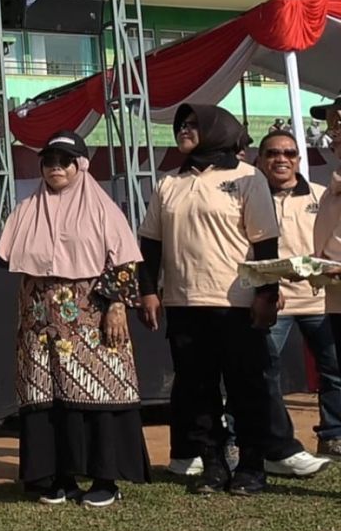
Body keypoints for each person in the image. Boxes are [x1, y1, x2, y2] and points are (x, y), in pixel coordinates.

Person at [0, 131, 151, 507]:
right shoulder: (28, 207)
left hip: (91, 314)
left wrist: (116, 306)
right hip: (39, 317)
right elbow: (6, 255)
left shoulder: (102, 207)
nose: (55, 168)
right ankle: (56, 477)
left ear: (80, 164)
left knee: (97, 389)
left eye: (64, 161)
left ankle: (104, 478)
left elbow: (125, 259)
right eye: (49, 161)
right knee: (46, 395)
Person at [138, 103, 281, 496]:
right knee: (197, 389)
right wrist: (149, 290)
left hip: (236, 303)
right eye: (181, 125)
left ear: (218, 130)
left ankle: (252, 465)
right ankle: (213, 465)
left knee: (245, 388)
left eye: (193, 125)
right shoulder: (169, 183)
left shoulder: (248, 177)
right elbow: (149, 244)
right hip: (184, 304)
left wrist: (267, 295)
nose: (183, 130)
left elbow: (266, 243)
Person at [254, 131, 340, 470]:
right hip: (276, 301)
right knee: (264, 372)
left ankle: (333, 433)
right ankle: (275, 441)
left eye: (289, 153)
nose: (282, 159)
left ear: (298, 160)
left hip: (321, 300)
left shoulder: (323, 195)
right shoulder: (251, 198)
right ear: (259, 160)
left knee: (333, 372)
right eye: (273, 153)